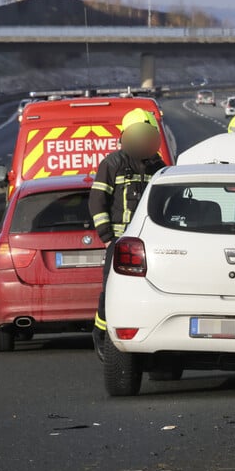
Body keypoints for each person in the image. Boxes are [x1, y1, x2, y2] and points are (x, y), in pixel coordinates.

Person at [89, 108, 166, 359]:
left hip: (152, 244)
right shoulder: (113, 164)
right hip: (121, 241)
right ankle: (101, 335)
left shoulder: (159, 166)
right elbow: (97, 200)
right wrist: (107, 236)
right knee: (110, 290)